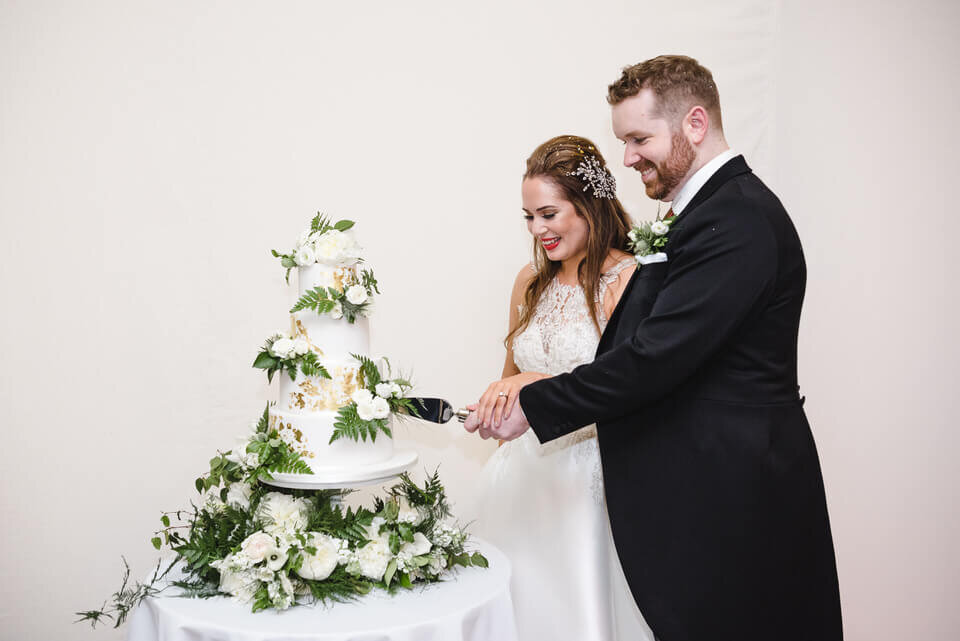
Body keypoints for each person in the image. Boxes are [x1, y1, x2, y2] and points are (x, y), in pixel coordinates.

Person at [466, 56, 843, 641]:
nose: (627, 157)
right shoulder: (704, 214)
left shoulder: (737, 219)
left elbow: (653, 359)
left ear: (695, 124)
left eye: (640, 138)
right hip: (701, 484)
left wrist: (535, 402)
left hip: (738, 487)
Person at [470, 134, 654, 640]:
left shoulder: (628, 280)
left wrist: (538, 383)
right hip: (518, 479)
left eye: (549, 214)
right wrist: (495, 404)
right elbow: (510, 375)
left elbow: (626, 390)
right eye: (529, 217)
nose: (538, 229)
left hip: (586, 482)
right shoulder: (530, 280)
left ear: (588, 206)